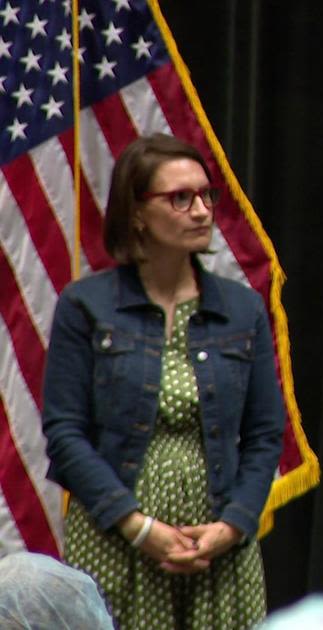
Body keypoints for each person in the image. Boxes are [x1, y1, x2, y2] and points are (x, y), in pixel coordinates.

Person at [41, 133, 285, 629]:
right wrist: (137, 526)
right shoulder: (86, 305)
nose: (201, 210)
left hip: (217, 546)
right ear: (136, 212)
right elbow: (65, 434)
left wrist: (232, 525)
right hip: (117, 539)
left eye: (206, 195)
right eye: (180, 198)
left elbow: (264, 435)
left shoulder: (241, 309)